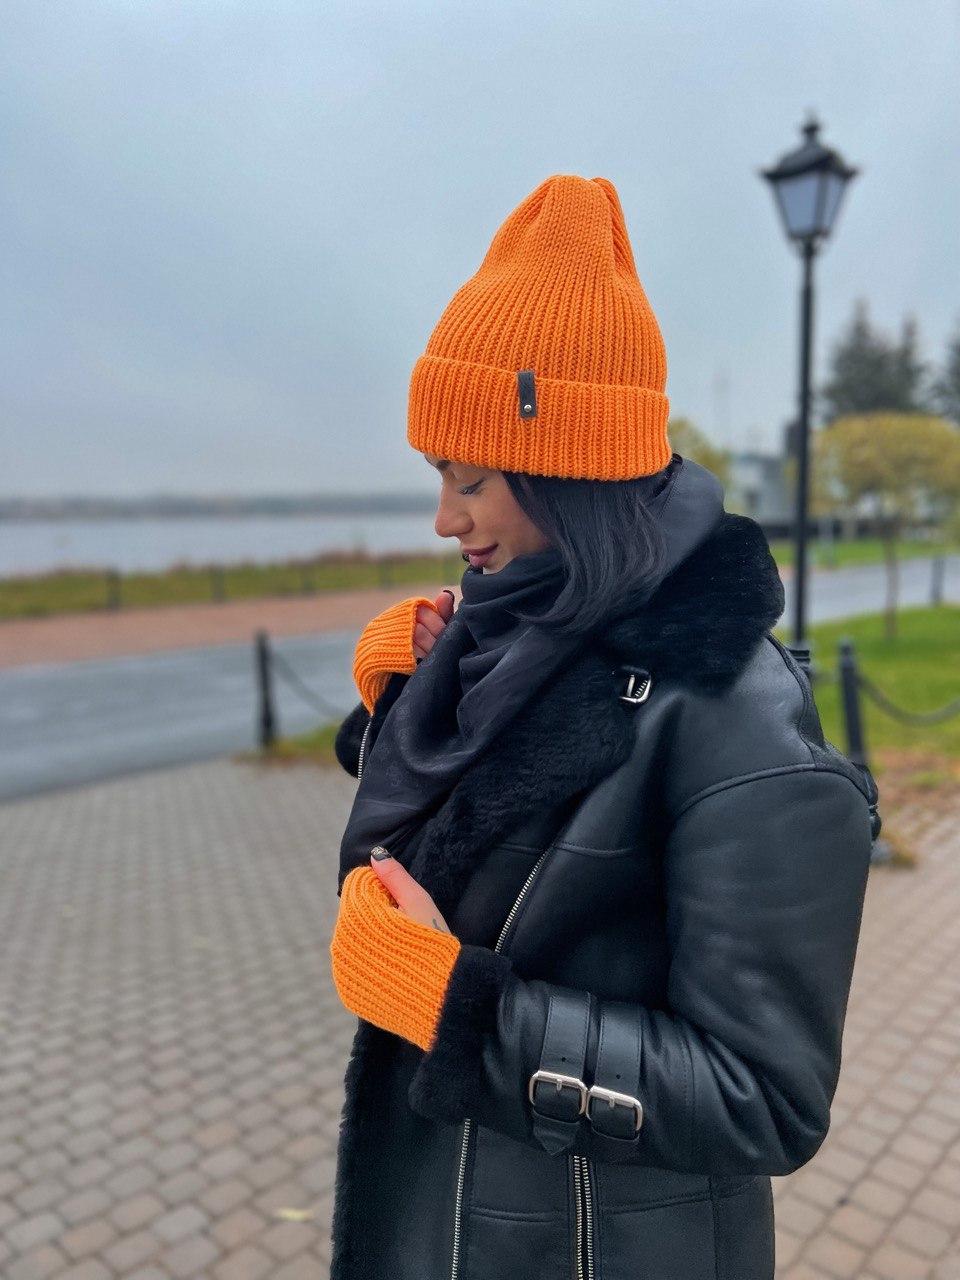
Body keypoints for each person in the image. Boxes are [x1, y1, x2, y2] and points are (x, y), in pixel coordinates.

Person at [326, 174, 880, 1280]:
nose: (443, 518)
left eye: (470, 478)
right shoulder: (519, 625)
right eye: (438, 475)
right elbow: (465, 843)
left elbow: (765, 1096)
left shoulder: (734, 714)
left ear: (565, 468)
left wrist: (459, 1010)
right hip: (441, 1217)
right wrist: (405, 701)